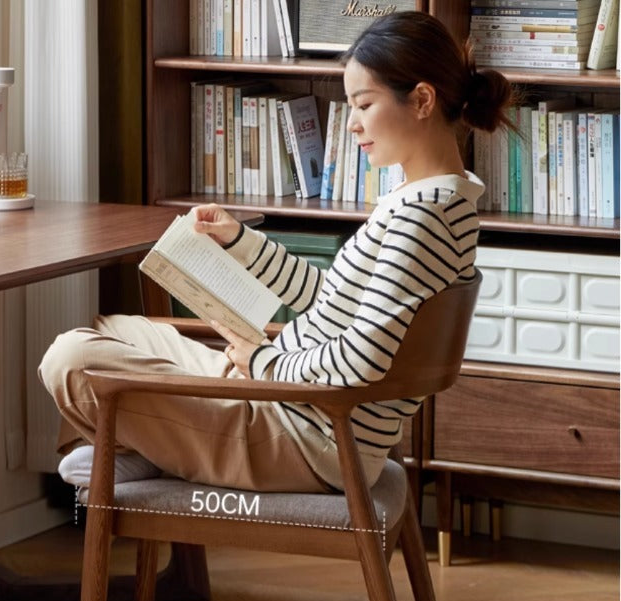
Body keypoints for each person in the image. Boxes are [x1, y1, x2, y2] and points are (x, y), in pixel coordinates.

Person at [39, 10, 514, 497]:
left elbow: (361, 361)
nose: (352, 125)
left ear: (421, 100)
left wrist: (263, 363)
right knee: (113, 330)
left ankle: (143, 454)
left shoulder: (424, 218)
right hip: (284, 400)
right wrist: (239, 242)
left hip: (303, 435)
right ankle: (145, 451)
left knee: (71, 358)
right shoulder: (436, 199)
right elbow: (328, 299)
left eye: (363, 105)